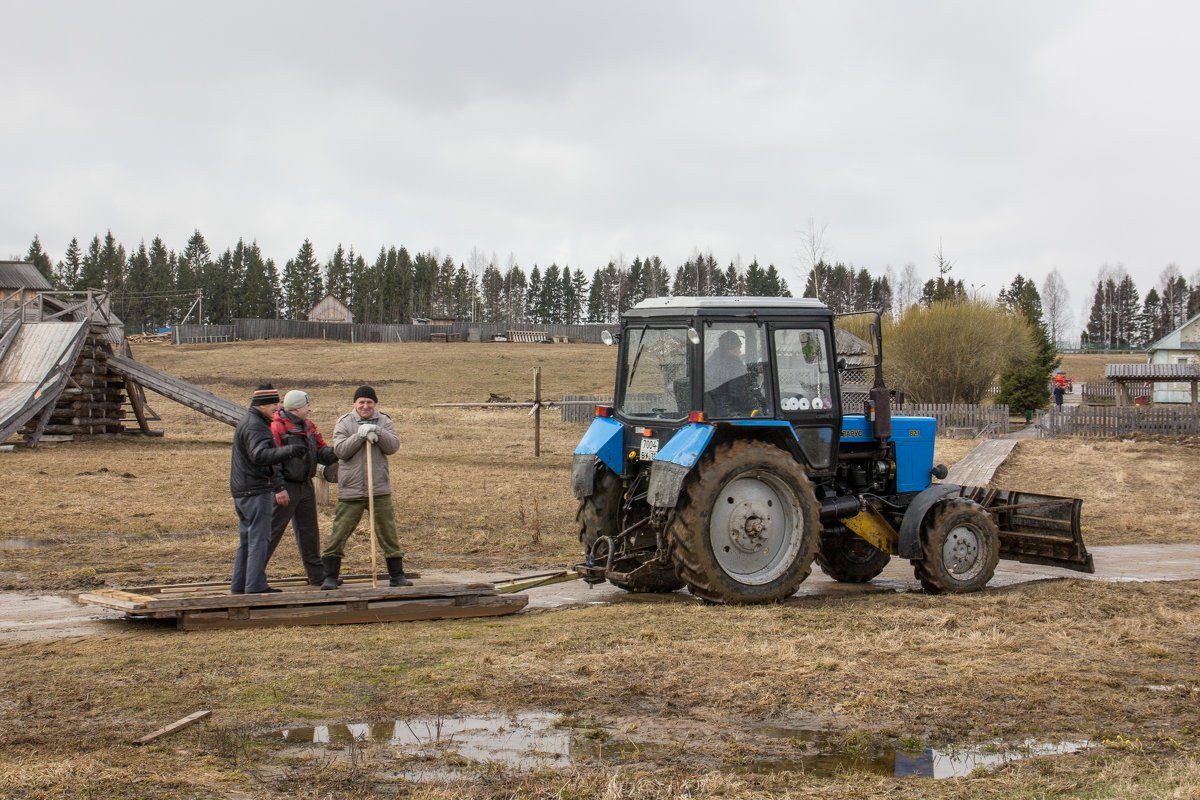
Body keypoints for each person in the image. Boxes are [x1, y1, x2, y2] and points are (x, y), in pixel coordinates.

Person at [321, 385, 411, 589]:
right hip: (351, 489)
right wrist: (360, 436)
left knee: (388, 533)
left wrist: (377, 431)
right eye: (361, 402)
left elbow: (393, 447)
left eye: (369, 402)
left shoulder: (384, 421)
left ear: (375, 404)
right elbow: (341, 451)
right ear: (354, 404)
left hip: (378, 488)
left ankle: (396, 575)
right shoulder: (344, 422)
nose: (365, 406)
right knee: (339, 533)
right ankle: (330, 577)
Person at [230, 385, 305, 594]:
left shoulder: (249, 421)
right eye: (274, 403)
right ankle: (255, 585)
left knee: (246, 540)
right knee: (259, 539)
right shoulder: (257, 426)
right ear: (262, 404)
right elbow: (260, 456)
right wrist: (288, 451)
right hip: (255, 490)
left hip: (242, 490)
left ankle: (239, 585)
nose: (277, 407)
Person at [267, 390, 339, 585]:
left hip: (305, 486)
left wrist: (340, 450)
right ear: (298, 407)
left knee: (309, 531)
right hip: (286, 487)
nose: (309, 408)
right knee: (271, 532)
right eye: (307, 405)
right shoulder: (277, 427)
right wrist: (278, 487)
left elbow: (321, 451)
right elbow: (272, 461)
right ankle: (253, 575)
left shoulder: (309, 426)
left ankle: (317, 575)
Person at [704, 330, 750, 417]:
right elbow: (738, 393)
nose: (739, 353)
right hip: (729, 411)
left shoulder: (712, 361)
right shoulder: (733, 364)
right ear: (730, 350)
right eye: (738, 350)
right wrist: (754, 404)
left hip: (716, 408)